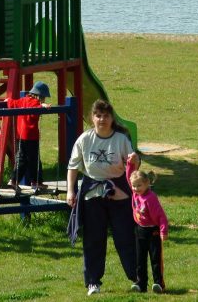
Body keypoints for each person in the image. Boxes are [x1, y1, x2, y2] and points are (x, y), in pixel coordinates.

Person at [67, 99, 139, 296]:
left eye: (106, 116)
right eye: (98, 116)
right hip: (92, 192)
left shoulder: (121, 139)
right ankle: (93, 281)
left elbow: (133, 164)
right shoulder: (84, 139)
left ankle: (137, 278)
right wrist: (70, 191)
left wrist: (135, 160)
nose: (102, 119)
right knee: (93, 239)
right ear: (92, 118)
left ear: (111, 118)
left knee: (125, 236)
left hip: (119, 190)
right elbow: (73, 166)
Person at [126, 157, 169, 294]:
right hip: (140, 231)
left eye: (139, 185)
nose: (135, 188)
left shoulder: (151, 198)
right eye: (134, 186)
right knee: (140, 259)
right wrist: (130, 163)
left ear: (147, 184)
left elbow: (161, 216)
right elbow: (129, 176)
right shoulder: (135, 193)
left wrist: (163, 231)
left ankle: (158, 283)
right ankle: (141, 284)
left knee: (155, 259)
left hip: (153, 232)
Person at [7, 81, 51, 188]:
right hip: (31, 137)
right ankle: (36, 182)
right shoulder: (36, 103)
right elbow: (36, 109)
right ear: (39, 96)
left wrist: (8, 100)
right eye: (44, 98)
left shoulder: (23, 100)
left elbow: (13, 103)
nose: (44, 100)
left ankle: (14, 180)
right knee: (34, 160)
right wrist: (43, 106)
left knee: (21, 159)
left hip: (20, 136)